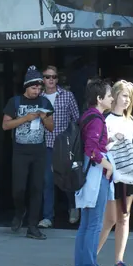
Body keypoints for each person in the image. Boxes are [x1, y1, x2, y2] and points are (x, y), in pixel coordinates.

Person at [97, 80, 133, 266]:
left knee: (124, 217)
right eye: (124, 95)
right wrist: (112, 139)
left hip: (128, 172)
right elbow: (97, 146)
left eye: (129, 96)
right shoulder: (104, 118)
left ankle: (119, 260)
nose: (127, 100)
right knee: (109, 219)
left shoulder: (132, 121)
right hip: (109, 172)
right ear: (115, 96)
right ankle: (90, 257)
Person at [2, 65, 55, 239]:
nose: (37, 91)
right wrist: (25, 118)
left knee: (37, 188)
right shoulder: (15, 102)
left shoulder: (44, 103)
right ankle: (20, 211)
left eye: (39, 88)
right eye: (34, 88)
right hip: (20, 151)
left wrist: (44, 118)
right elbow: (5, 125)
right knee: (19, 188)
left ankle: (32, 226)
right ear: (26, 86)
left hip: (39, 152)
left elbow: (51, 127)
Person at [74, 79, 115, 266]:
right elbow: (91, 150)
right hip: (95, 175)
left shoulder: (87, 116)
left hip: (87, 174)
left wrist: (108, 142)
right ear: (99, 99)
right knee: (94, 224)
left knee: (86, 224)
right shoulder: (97, 119)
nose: (112, 98)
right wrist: (109, 166)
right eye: (109, 95)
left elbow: (92, 145)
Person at [39, 65, 81, 229]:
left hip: (64, 146)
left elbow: (76, 119)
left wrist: (73, 142)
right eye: (47, 77)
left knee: (66, 179)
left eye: (54, 77)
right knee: (47, 181)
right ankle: (48, 216)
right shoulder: (39, 97)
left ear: (57, 79)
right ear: (43, 79)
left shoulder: (67, 96)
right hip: (46, 145)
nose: (51, 80)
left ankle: (73, 207)